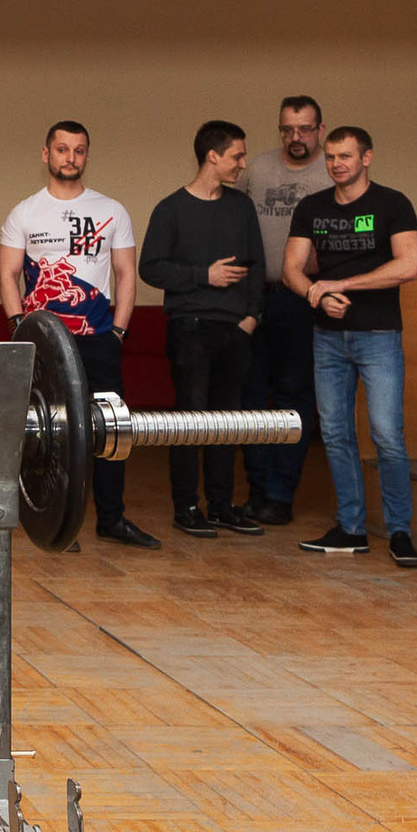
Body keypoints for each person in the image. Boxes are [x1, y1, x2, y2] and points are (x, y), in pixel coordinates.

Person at [0, 120, 155, 549]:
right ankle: (57, 524)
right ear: (46, 154)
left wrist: (118, 330)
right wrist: (19, 328)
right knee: (49, 434)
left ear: (87, 155)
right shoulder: (24, 213)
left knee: (111, 429)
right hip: (44, 343)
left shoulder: (112, 210)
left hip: (98, 338)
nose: (71, 157)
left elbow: (125, 274)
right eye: (62, 149)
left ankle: (112, 519)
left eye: (79, 150)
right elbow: (9, 274)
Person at [282, 126, 417, 565]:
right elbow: (291, 269)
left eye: (345, 156)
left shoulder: (393, 204)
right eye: (331, 157)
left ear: (367, 157)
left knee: (386, 434)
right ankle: (350, 528)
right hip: (327, 337)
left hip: (378, 335)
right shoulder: (312, 207)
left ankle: (400, 532)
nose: (337, 164)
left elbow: (409, 265)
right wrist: (317, 295)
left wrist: (340, 284)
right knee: (336, 433)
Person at [138, 120, 264, 539]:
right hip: (189, 328)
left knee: (227, 421)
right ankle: (187, 507)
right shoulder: (170, 209)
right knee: (190, 419)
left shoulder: (242, 207)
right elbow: (150, 268)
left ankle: (222, 506)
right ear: (213, 156)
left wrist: (251, 318)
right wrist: (202, 275)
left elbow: (258, 265)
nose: (243, 164)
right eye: (237, 156)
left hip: (235, 329)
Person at [241, 97, 333, 525]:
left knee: (293, 397)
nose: (296, 137)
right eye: (287, 129)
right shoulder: (258, 168)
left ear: (320, 129)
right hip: (254, 296)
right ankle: (256, 489)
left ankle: (280, 494)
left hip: (303, 299)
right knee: (251, 397)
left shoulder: (332, 170)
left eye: (305, 129)